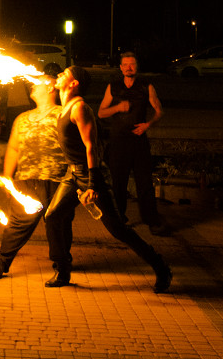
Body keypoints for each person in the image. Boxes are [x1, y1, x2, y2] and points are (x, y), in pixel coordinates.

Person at [44, 65, 172, 293]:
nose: (59, 75)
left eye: (65, 74)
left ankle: (161, 267)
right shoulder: (63, 108)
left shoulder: (79, 108)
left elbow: (91, 147)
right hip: (72, 174)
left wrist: (93, 185)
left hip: (90, 176)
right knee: (53, 216)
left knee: (118, 230)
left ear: (74, 83)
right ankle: (62, 270)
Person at [0, 76, 74, 282]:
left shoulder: (64, 114)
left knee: (58, 224)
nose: (32, 85)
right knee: (18, 222)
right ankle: (1, 261)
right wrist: (7, 179)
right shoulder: (22, 118)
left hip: (57, 179)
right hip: (26, 179)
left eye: (38, 82)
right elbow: (14, 148)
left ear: (51, 87)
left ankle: (62, 264)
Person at [98, 52, 168, 234]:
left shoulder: (146, 86)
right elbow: (101, 113)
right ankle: (119, 219)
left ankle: (151, 219)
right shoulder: (113, 87)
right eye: (125, 64)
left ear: (137, 67)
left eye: (132, 64)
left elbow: (159, 111)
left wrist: (148, 125)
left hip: (138, 142)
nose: (129, 67)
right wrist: (118, 107)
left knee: (144, 182)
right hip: (118, 142)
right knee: (118, 183)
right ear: (121, 67)